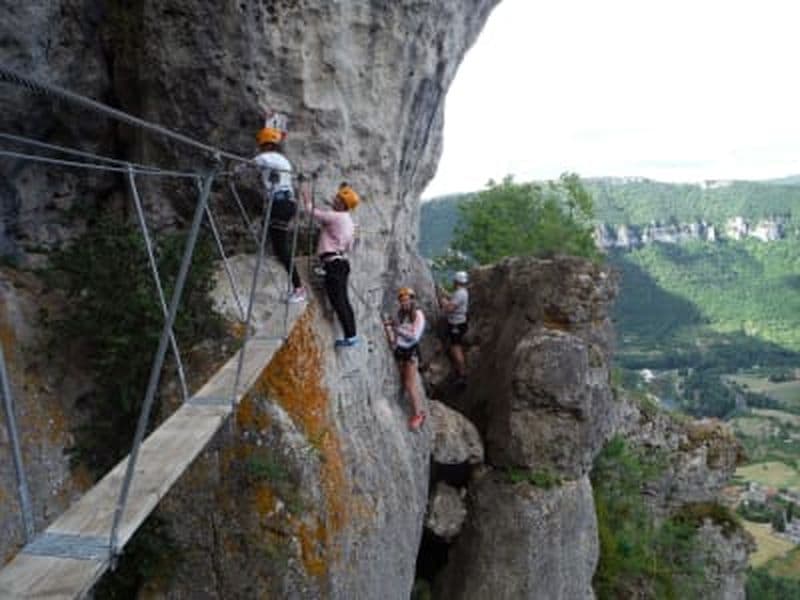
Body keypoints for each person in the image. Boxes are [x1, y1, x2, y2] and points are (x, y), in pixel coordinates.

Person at [301, 181, 360, 347]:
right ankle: (351, 335)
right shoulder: (349, 221)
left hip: (333, 264)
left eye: (337, 199)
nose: (333, 200)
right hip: (341, 263)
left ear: (342, 204)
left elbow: (311, 211)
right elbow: (349, 246)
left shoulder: (336, 216)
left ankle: (350, 337)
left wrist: (305, 195)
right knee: (344, 301)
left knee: (338, 301)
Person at [253, 126, 305, 303]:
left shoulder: (264, 157)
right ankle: (296, 286)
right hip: (288, 203)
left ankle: (298, 288)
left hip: (279, 203)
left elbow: (246, 166)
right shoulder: (285, 161)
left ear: (264, 144)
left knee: (281, 248)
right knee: (276, 240)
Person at [384, 287, 426, 430]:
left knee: (409, 384)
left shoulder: (418, 315)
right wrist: (390, 331)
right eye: (402, 301)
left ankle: (419, 414)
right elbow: (397, 335)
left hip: (411, 352)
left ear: (413, 300)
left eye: (407, 300)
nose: (404, 303)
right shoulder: (402, 314)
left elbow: (414, 336)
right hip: (401, 350)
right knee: (403, 380)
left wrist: (397, 329)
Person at [439, 270, 469, 387]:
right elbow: (452, 297)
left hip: (456, 324)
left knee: (456, 348)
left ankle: (462, 374)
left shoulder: (460, 293)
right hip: (458, 323)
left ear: (456, 281)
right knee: (454, 346)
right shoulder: (461, 292)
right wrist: (443, 291)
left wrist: (443, 302)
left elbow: (449, 308)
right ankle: (458, 371)